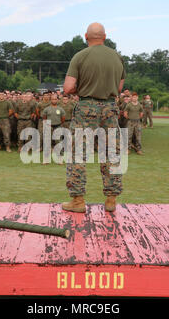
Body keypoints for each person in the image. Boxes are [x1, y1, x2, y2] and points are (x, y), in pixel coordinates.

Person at [62, 22, 125, 213]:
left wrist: (84, 88)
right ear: (104, 37)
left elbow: (68, 88)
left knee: (77, 153)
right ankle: (111, 200)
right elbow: (119, 89)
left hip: (86, 108)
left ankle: (78, 201)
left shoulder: (80, 56)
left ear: (86, 36)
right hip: (110, 108)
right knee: (111, 154)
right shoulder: (117, 57)